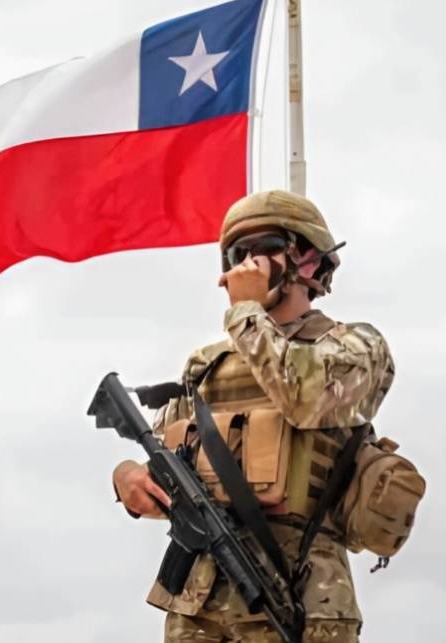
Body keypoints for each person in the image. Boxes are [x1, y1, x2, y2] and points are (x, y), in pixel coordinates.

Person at [112, 190, 395, 642]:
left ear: (307, 260)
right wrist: (127, 479)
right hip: (200, 606)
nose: (246, 264)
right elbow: (168, 464)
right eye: (236, 253)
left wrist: (244, 312)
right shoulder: (209, 366)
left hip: (301, 597)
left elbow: (306, 396)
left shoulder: (357, 347)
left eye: (264, 249)